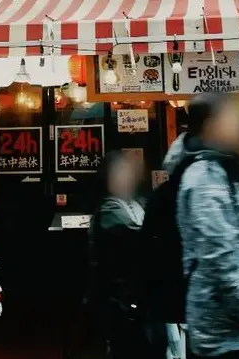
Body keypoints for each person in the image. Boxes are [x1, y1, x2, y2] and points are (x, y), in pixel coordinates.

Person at [164, 94, 239, 359]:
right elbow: (217, 254)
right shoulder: (204, 175)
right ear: (211, 124)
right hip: (230, 332)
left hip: (237, 328)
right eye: (232, 117)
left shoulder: (220, 168)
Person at [88, 150, 150, 359]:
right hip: (118, 299)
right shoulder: (109, 209)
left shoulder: (136, 203)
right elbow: (140, 239)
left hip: (135, 297)